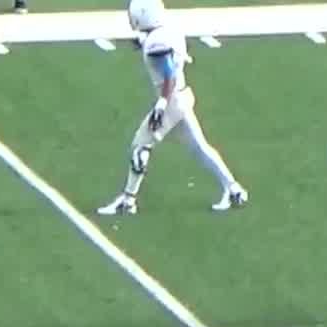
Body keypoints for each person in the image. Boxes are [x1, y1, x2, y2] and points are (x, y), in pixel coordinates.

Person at [96, 0, 247, 215]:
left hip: (172, 101)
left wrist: (162, 104)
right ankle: (234, 189)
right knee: (199, 147)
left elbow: (169, 74)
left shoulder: (157, 42)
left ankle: (128, 201)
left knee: (140, 145)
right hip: (181, 96)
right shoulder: (167, 31)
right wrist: (144, 41)